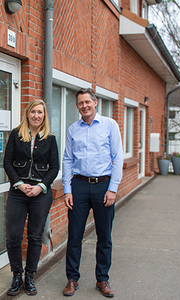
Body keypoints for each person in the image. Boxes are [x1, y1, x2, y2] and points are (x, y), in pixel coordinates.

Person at [62, 88, 123, 298]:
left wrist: (113, 189)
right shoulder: (73, 129)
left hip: (103, 186)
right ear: (77, 106)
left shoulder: (109, 125)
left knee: (104, 236)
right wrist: (67, 190)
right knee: (74, 236)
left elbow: (118, 158)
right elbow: (68, 160)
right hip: (78, 186)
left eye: (87, 102)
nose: (84, 106)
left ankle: (102, 279)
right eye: (80, 103)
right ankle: (72, 279)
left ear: (95, 103)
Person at [3, 99, 59, 296]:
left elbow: (54, 167)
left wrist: (41, 187)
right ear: (27, 114)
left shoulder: (50, 139)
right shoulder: (16, 135)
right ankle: (17, 275)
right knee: (13, 236)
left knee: (35, 236)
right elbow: (7, 162)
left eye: (40, 112)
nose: (36, 115)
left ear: (44, 116)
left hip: (40, 194)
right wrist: (19, 183)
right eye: (33, 112)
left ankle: (30, 276)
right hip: (18, 192)